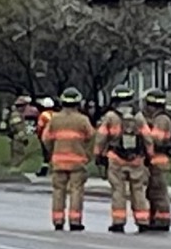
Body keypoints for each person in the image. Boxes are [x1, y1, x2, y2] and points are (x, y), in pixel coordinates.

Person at [41, 89, 96, 230]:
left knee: (58, 191)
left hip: (58, 161)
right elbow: (91, 137)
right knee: (76, 190)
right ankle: (75, 221)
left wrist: (53, 151)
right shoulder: (82, 120)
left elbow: (46, 138)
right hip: (77, 161)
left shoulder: (55, 119)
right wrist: (87, 154)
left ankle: (58, 221)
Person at [99, 95, 145, 234]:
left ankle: (118, 222)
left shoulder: (110, 117)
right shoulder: (138, 117)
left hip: (116, 159)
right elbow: (147, 137)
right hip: (136, 160)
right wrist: (148, 154)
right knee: (138, 190)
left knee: (118, 191)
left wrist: (99, 154)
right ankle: (143, 221)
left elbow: (101, 137)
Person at [135, 90, 171, 233]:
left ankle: (162, 220)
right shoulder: (158, 118)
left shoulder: (162, 120)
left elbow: (156, 139)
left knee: (159, 192)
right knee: (152, 193)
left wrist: (144, 129)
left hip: (159, 160)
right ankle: (155, 218)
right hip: (154, 160)